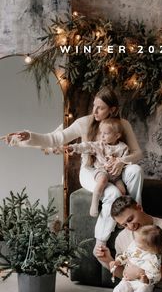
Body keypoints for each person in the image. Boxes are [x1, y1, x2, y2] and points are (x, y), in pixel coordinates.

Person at [1, 87, 143, 253]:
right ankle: (101, 242)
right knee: (112, 193)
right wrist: (29, 136)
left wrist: (121, 161)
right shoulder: (84, 123)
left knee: (136, 170)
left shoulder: (122, 125)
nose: (95, 111)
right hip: (91, 171)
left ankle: (135, 215)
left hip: (114, 170)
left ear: (112, 110)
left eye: (100, 108)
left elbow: (138, 153)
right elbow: (54, 139)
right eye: (94, 105)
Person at [65, 117, 130, 217]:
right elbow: (86, 146)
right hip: (101, 171)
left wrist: (119, 161)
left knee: (122, 191)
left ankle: (121, 215)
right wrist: (73, 147)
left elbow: (126, 161)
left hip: (115, 176)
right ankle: (94, 202)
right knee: (103, 180)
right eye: (101, 133)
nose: (102, 136)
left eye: (106, 133)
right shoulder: (99, 145)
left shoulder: (123, 147)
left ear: (117, 135)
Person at [106, 224, 162, 292]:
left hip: (142, 283)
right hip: (128, 280)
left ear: (149, 247)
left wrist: (147, 279)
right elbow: (126, 255)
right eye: (136, 240)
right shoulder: (134, 245)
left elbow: (157, 274)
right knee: (119, 289)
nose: (136, 244)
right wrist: (118, 261)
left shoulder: (153, 258)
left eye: (139, 244)